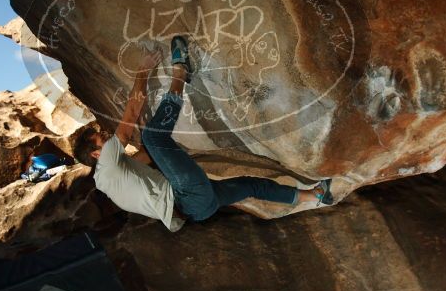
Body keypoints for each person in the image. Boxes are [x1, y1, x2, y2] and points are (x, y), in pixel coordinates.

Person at [73, 36, 333, 232]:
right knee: (154, 137)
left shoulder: (108, 180)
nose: (107, 136)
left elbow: (147, 157)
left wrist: (147, 130)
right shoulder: (106, 162)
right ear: (96, 153)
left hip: (199, 210)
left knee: (252, 185)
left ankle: (316, 197)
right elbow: (130, 114)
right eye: (102, 139)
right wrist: (143, 71)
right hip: (190, 196)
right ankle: (181, 72)